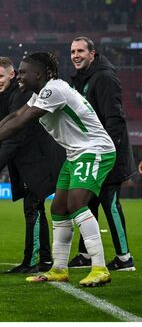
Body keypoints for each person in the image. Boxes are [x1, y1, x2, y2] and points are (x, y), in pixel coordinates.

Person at [0, 52, 115, 287]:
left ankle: (99, 267)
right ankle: (59, 269)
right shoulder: (42, 93)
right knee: (59, 207)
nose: (20, 76)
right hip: (76, 153)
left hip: (95, 149)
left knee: (76, 203)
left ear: (41, 74)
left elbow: (22, 121)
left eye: (24, 72)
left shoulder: (54, 90)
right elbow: (15, 115)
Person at [0, 57, 63, 273]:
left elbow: (15, 135)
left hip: (38, 161)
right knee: (36, 209)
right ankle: (44, 259)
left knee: (33, 209)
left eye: (0, 76)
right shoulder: (5, 96)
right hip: (30, 162)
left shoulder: (22, 95)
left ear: (12, 75)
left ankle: (32, 261)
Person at [68, 37, 136, 271]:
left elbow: (115, 119)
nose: (76, 55)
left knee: (110, 202)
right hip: (93, 152)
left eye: (80, 51)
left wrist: (108, 153)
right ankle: (85, 255)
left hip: (108, 154)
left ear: (92, 54)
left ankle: (125, 258)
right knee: (90, 202)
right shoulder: (85, 78)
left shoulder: (104, 77)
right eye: (73, 51)